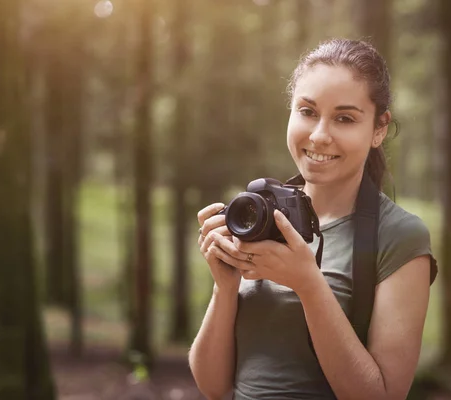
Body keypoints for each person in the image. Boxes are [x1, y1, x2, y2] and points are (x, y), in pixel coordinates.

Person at [188, 38, 438, 400]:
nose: (320, 135)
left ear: (379, 129)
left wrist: (308, 284)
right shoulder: (259, 217)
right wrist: (224, 287)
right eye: (307, 112)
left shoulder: (399, 236)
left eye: (344, 118)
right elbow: (213, 387)